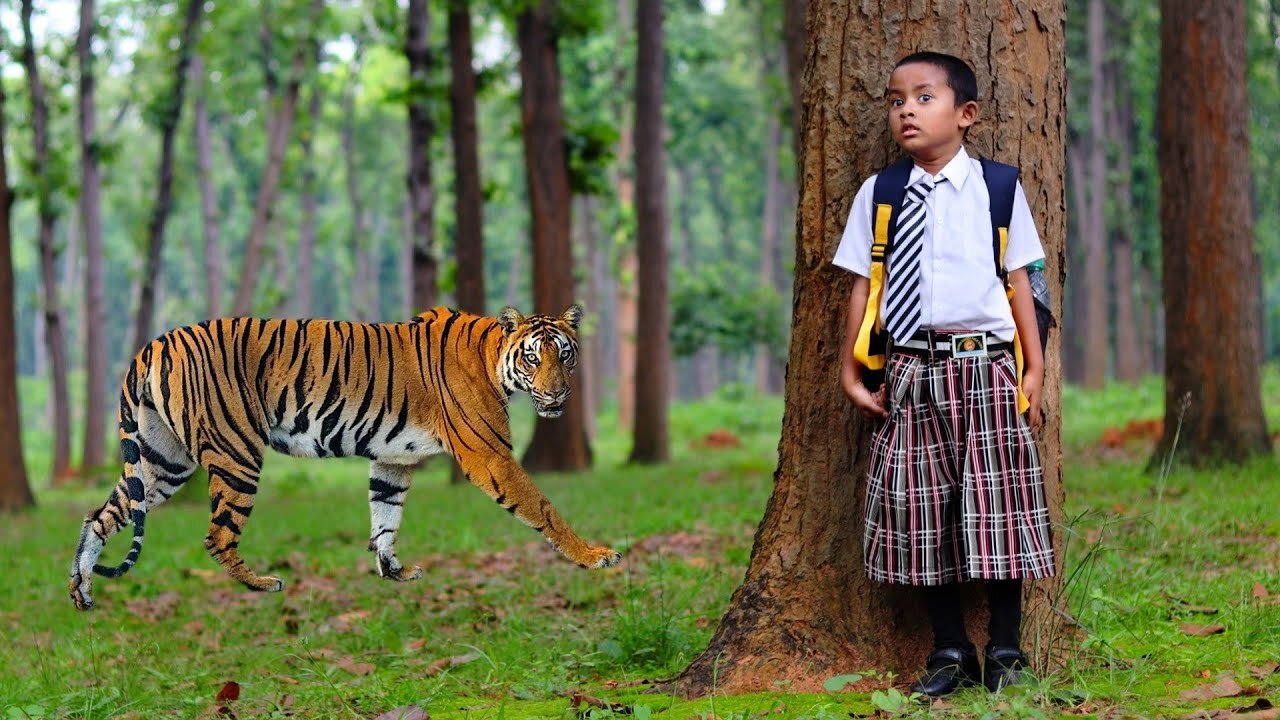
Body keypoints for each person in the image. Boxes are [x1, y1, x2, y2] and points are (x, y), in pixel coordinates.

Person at [833, 51, 1055, 697]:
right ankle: (950, 650)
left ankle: (1007, 651)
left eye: (924, 97)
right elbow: (860, 287)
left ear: (966, 114)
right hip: (909, 374)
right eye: (896, 98)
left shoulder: (999, 188)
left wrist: (1035, 365)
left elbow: (1024, 280)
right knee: (920, 510)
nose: (906, 109)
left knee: (998, 506)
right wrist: (850, 368)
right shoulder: (880, 194)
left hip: (986, 370)